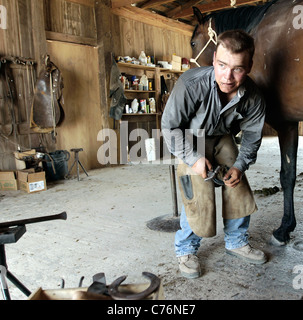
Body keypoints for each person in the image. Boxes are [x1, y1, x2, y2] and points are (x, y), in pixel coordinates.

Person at [161, 30, 267, 279]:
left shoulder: (254, 97)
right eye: (222, 65)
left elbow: (252, 139)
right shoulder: (190, 84)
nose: (227, 77)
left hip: (222, 136)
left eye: (238, 69)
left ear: (249, 66)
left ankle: (237, 241)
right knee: (197, 190)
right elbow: (169, 127)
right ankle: (185, 249)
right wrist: (194, 159)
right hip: (189, 138)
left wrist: (240, 166)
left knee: (236, 181)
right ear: (213, 60)